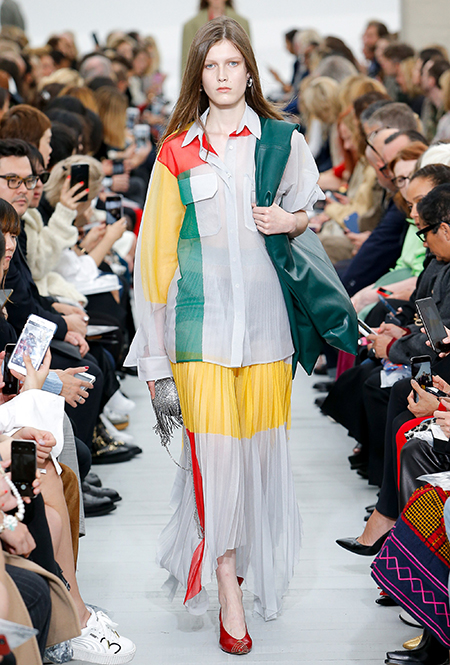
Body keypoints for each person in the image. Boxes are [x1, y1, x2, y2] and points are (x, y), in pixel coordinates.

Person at [126, 16, 325, 655]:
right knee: (215, 462)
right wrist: (153, 359)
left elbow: (310, 211)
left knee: (260, 464)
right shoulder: (176, 151)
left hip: (268, 334)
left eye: (232, 64)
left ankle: (241, 569)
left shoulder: (282, 140)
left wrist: (290, 220)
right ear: (198, 74)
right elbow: (153, 261)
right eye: (210, 66)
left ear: (248, 71)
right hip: (199, 333)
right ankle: (225, 584)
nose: (221, 75)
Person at [181, 0, 250, 74]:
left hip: (234, 75)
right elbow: (186, 64)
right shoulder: (191, 26)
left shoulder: (242, 23)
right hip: (202, 77)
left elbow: (248, 59)